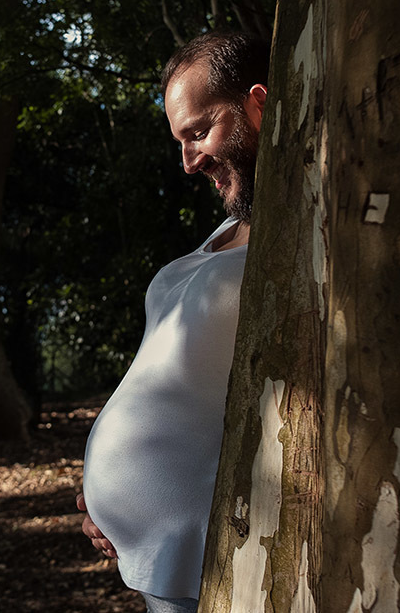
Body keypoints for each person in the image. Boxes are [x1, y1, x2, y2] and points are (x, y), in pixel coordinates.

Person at [77, 31, 268, 612]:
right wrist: (104, 490)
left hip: (215, 553)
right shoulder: (231, 227)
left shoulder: (306, 236)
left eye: (199, 132)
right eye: (180, 141)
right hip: (155, 556)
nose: (188, 162)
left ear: (259, 105)